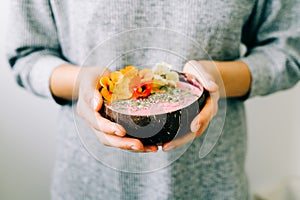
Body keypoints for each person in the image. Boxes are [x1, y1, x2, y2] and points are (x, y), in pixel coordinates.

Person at [6, 0, 300, 199]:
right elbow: (28, 54)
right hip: (90, 185)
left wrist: (218, 78)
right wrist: (83, 81)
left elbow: (287, 52)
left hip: (212, 185)